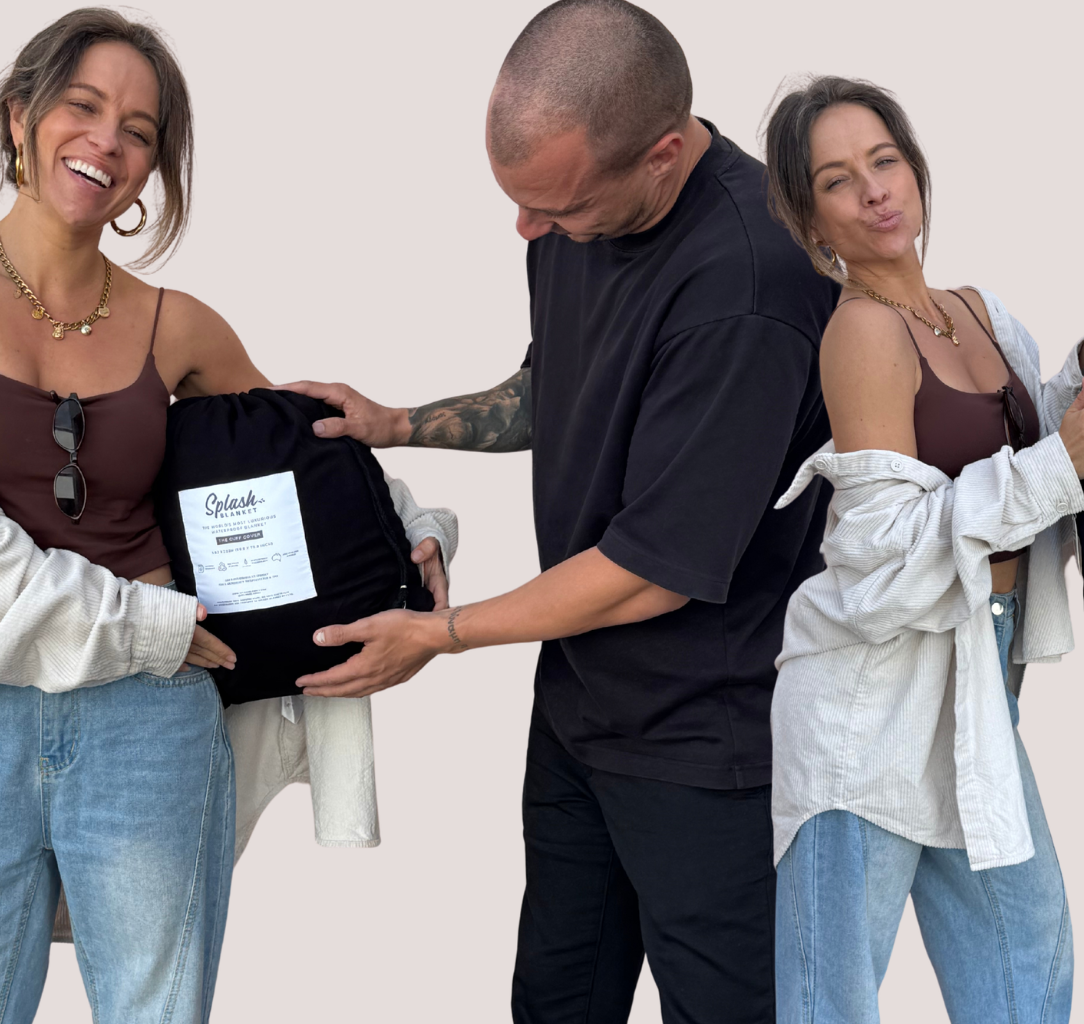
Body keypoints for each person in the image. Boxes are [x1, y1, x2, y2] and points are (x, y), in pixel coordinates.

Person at [0, 10, 451, 1022]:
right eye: (83, 106)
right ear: (18, 117)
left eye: (138, 131)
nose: (107, 142)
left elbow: (303, 466)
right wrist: (146, 622)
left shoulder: (177, 323)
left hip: (153, 717)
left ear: (151, 169)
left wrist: (417, 529)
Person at [283, 2, 833, 1019]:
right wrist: (396, 423)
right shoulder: (575, 215)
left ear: (661, 155)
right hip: (579, 711)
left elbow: (652, 571)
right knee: (555, 1001)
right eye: (519, 204)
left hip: (708, 742)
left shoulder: (751, 284)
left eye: (555, 208)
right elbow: (559, 386)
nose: (529, 231)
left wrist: (439, 633)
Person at [759, 76, 1084, 1024]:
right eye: (838, 180)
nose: (874, 191)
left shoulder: (973, 309)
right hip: (868, 707)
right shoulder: (862, 333)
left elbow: (1042, 444)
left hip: (975, 691)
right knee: (832, 1002)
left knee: (1026, 963)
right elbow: (883, 560)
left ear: (915, 167)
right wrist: (1060, 462)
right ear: (810, 220)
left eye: (885, 160)